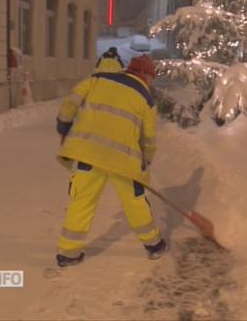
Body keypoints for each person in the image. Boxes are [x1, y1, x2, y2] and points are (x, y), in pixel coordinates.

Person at [54, 54, 165, 267]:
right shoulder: (147, 100)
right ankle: (154, 245)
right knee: (135, 203)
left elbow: (70, 103)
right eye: (152, 78)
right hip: (125, 162)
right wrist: (146, 161)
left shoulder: (98, 79)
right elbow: (148, 139)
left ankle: (68, 253)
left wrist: (63, 126)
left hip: (88, 155)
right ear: (146, 76)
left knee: (82, 201)